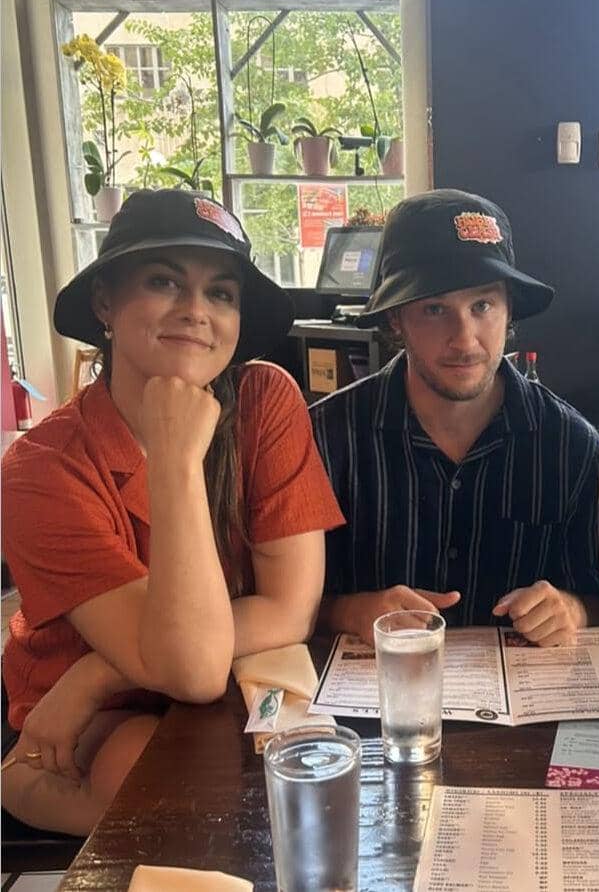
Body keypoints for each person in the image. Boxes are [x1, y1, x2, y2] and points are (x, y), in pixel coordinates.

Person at [1, 189, 344, 835]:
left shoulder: (265, 397)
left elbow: (290, 609)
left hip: (203, 685)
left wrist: (93, 674)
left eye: (220, 292)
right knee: (180, 808)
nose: (195, 312)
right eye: (163, 281)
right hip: (83, 724)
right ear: (105, 301)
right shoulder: (40, 469)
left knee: (304, 798)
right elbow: (187, 668)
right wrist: (178, 461)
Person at [311, 189, 599, 646]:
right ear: (395, 320)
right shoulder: (325, 438)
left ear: (509, 312)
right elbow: (281, 600)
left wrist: (572, 610)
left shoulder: (571, 446)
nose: (463, 338)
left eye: (482, 306)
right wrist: (350, 610)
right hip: (372, 707)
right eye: (434, 309)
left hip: (528, 710)